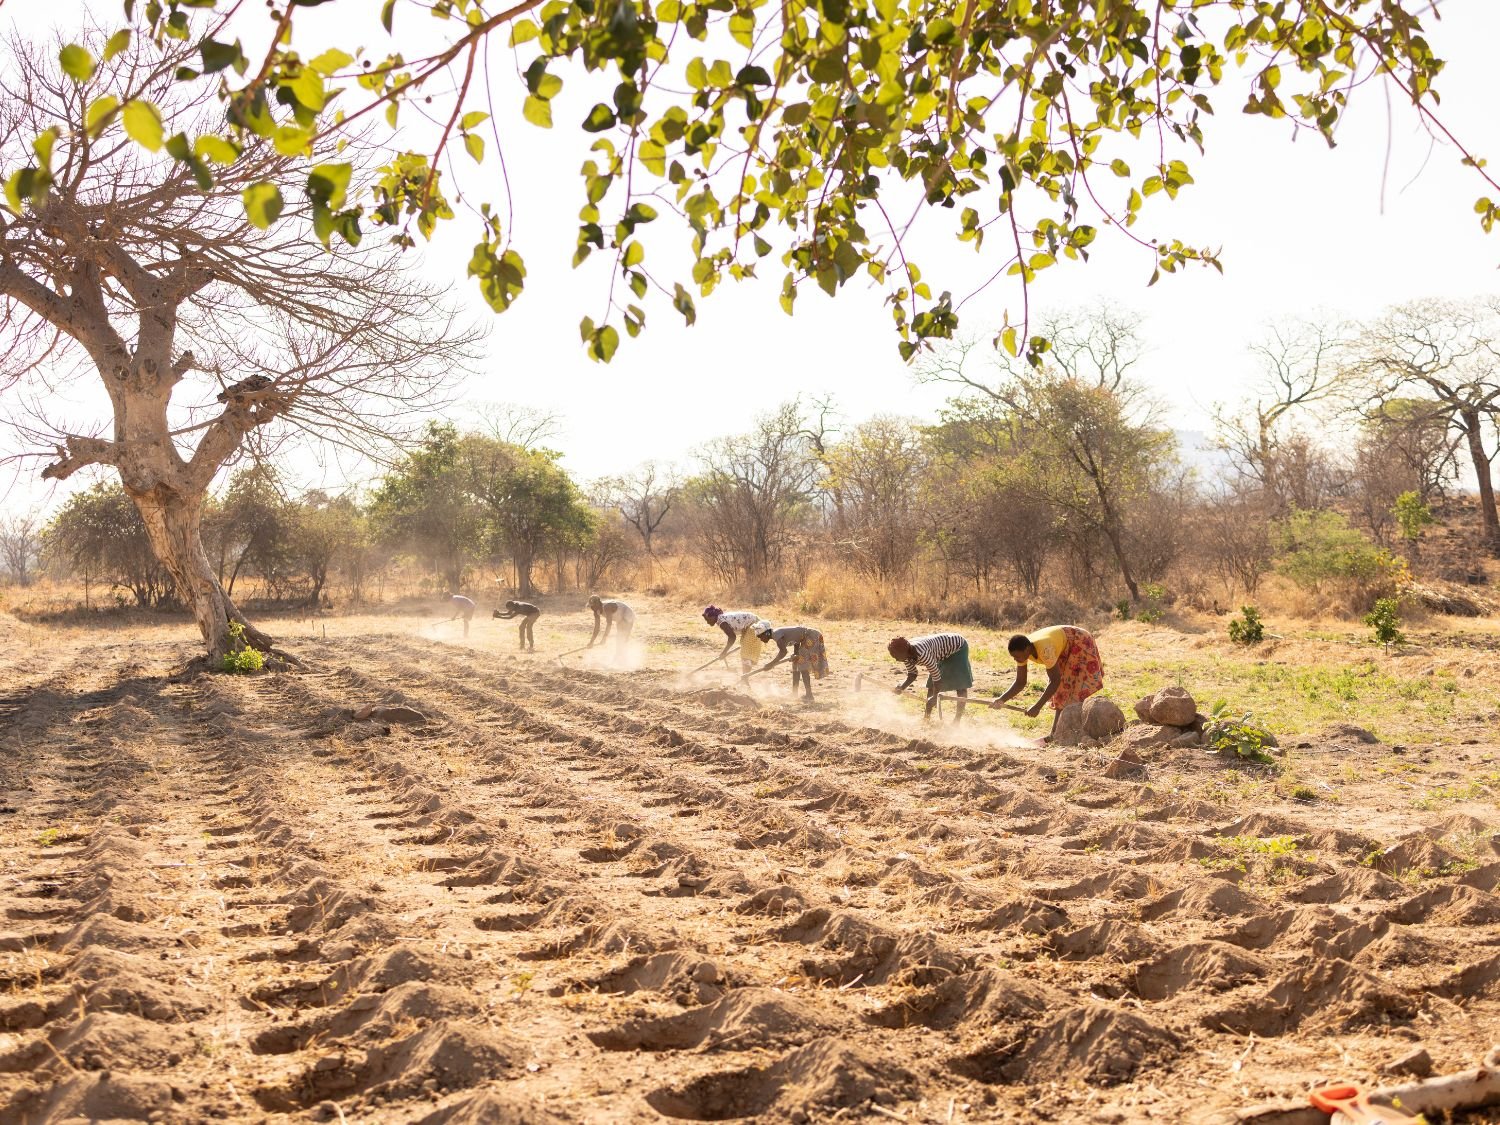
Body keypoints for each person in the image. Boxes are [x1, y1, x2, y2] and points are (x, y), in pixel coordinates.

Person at [993, 625, 1104, 741]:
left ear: (1026, 650)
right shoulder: (1023, 650)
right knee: (1063, 690)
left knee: (1070, 687)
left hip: (1078, 640)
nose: (1015, 659)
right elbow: (1020, 682)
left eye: (1016, 656)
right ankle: (1056, 734)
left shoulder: (1045, 649)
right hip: (1064, 646)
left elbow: (1055, 681)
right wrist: (1001, 700)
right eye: (1013, 657)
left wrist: (1037, 707)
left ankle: (1062, 733)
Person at [889, 632, 972, 722]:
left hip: (957, 647)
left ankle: (956, 721)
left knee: (960, 685)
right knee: (931, 687)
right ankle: (927, 719)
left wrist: (935, 697)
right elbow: (912, 674)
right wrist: (902, 687)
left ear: (903, 652)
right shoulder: (906, 655)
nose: (896, 659)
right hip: (941, 650)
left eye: (896, 656)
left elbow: (936, 678)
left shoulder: (922, 653)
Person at [750, 623, 829, 702]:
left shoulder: (776, 634)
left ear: (766, 633)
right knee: (796, 664)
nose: (760, 639)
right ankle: (794, 693)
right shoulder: (776, 634)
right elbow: (797, 640)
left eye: (760, 636)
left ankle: (809, 696)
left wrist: (771, 664)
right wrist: (796, 653)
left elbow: (783, 652)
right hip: (807, 637)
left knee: (803, 665)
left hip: (811, 636)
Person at [702, 605, 771, 675]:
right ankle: (745, 675)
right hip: (751, 625)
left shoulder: (721, 621)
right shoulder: (720, 619)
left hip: (755, 625)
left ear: (714, 616)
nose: (707, 622)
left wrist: (724, 652)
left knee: (746, 653)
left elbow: (732, 637)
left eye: (708, 619)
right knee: (746, 650)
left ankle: (745, 677)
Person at [587, 594, 635, 662]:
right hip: (620, 618)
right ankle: (619, 657)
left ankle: (622, 658)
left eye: (592, 606)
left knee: (621, 637)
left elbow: (609, 624)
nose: (592, 608)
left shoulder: (607, 607)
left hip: (627, 614)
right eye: (591, 607)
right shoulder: (596, 612)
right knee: (619, 638)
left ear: (597, 605)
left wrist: (604, 638)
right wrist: (591, 642)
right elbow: (597, 627)